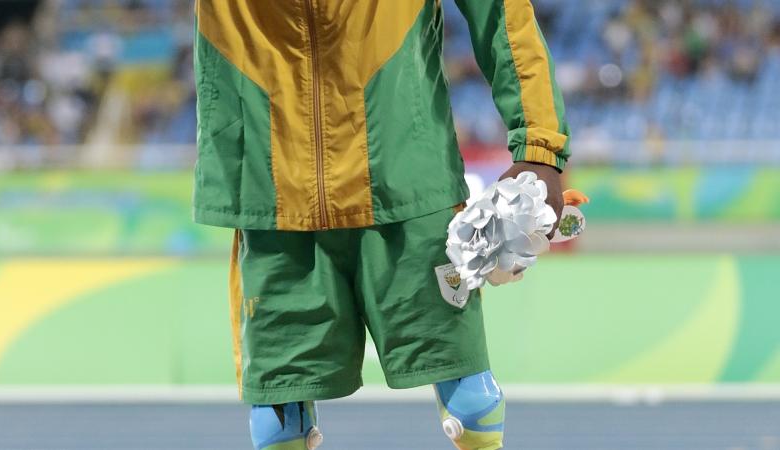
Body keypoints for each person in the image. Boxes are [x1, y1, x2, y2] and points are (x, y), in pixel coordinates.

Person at [193, 1, 570, 448]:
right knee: (278, 416)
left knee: (471, 404)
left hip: (406, 183)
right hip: (271, 192)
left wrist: (538, 146)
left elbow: (499, 11)